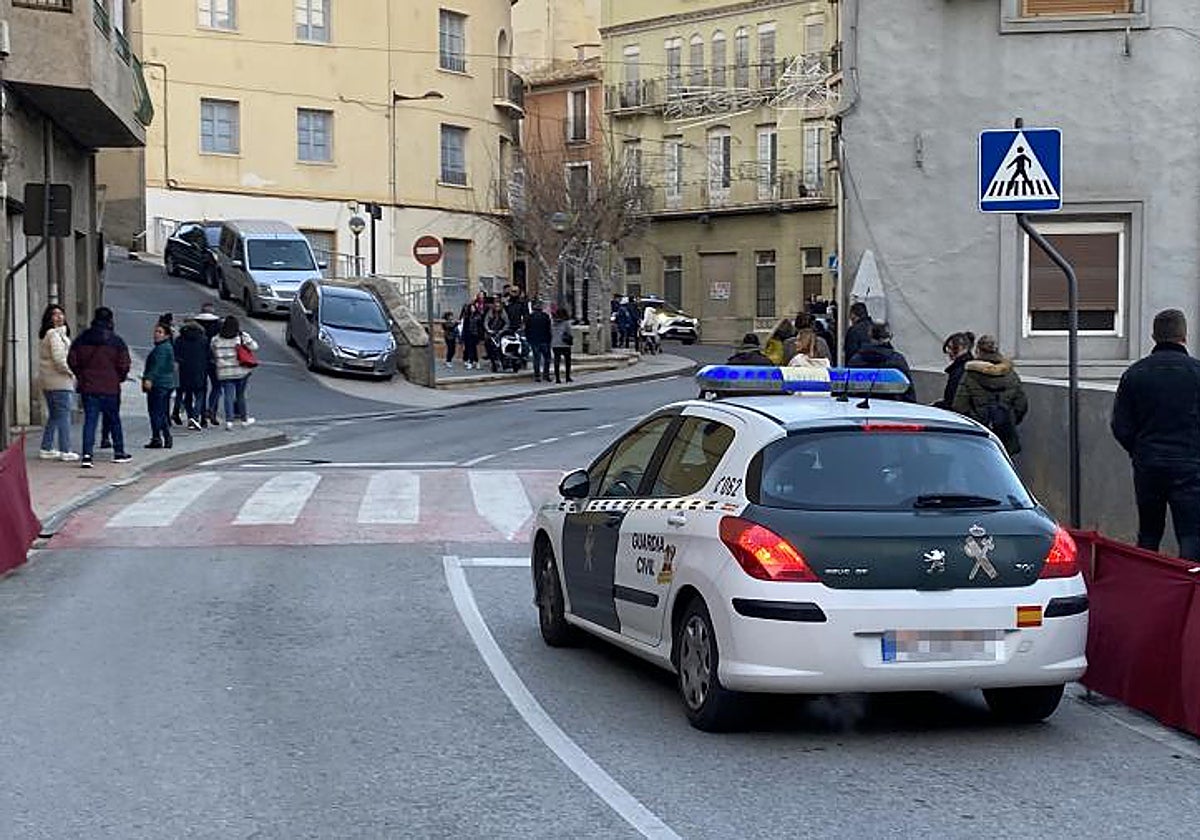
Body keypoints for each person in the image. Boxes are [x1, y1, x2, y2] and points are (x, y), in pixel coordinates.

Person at [1111, 309, 1200, 560]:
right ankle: (1189, 583)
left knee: (1149, 533)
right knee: (1191, 535)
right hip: (1190, 466)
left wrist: (1140, 450)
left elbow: (1120, 425)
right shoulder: (1196, 373)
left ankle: (1145, 580)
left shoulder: (1135, 374)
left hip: (1149, 464)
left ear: (1154, 336)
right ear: (1184, 336)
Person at [68, 306, 132, 468]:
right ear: (110, 320)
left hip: (89, 386)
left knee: (90, 421)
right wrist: (118, 378)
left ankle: (87, 455)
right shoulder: (116, 341)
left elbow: (72, 360)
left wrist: (81, 375)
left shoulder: (82, 338)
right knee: (114, 420)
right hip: (110, 387)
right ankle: (119, 452)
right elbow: (124, 364)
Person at [952, 335, 1028, 453]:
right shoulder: (1010, 374)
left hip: (978, 432)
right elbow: (1021, 405)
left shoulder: (970, 375)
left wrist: (975, 420)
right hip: (1005, 430)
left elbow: (959, 405)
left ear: (978, 350)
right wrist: (1009, 419)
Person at [36, 304, 78, 461]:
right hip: (60, 381)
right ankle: (65, 449)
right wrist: (71, 371)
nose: (59, 317)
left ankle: (46, 447)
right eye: (55, 314)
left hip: (50, 381)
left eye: (61, 313)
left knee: (54, 416)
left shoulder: (54, 334)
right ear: (49, 318)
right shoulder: (54, 334)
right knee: (64, 416)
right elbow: (59, 359)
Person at [847, 322, 917, 402]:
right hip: (892, 406)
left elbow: (848, 388)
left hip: (860, 405)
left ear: (869, 336)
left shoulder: (856, 360)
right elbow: (908, 392)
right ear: (887, 338)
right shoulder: (897, 360)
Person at [211, 315, 259, 430]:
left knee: (228, 396)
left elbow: (213, 351)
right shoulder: (241, 337)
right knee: (240, 395)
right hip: (241, 371)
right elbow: (254, 347)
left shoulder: (216, 339)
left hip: (224, 371)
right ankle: (244, 420)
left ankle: (229, 421)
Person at [142, 322, 178, 449]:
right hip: (165, 383)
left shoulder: (162, 349)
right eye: (156, 331)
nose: (156, 334)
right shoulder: (166, 347)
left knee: (156, 412)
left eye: (160, 332)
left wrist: (149, 378)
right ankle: (161, 437)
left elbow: (157, 365)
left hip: (159, 384)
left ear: (166, 335)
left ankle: (160, 437)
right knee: (160, 411)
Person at [174, 318, 211, 430]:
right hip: (200, 370)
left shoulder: (179, 339)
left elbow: (175, 355)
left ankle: (190, 416)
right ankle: (195, 416)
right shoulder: (204, 340)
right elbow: (208, 355)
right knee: (200, 395)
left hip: (184, 371)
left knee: (187, 396)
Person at [195, 303, 223, 426]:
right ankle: (212, 410)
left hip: (200, 360)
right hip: (214, 359)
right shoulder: (218, 325)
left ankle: (201, 416)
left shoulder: (195, 324)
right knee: (217, 386)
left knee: (202, 388)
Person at [935, 331, 975, 410]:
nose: (948, 351)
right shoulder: (965, 366)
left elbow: (952, 399)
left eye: (951, 347)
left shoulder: (960, 370)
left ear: (963, 348)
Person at [525, 299, 553, 383]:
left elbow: (527, 329)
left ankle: (537, 375)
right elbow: (548, 328)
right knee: (547, 358)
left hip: (534, 340)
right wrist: (549, 339)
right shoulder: (545, 316)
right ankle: (546, 375)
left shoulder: (530, 317)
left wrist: (528, 338)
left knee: (536, 358)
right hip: (544, 339)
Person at [483, 298, 510, 373]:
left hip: (500, 331)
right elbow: (486, 322)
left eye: (498, 306)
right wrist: (488, 330)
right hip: (491, 332)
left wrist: (502, 330)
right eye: (496, 306)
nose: (497, 307)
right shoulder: (490, 312)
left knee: (501, 347)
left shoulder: (503, 313)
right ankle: (493, 362)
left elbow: (507, 322)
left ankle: (503, 362)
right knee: (489, 346)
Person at [458, 297, 483, 370]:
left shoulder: (478, 316)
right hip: (468, 334)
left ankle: (474, 362)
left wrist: (480, 335)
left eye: (473, 307)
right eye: (471, 308)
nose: (472, 309)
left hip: (475, 334)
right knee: (470, 348)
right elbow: (464, 327)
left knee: (473, 348)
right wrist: (463, 336)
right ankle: (472, 362)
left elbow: (480, 327)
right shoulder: (467, 317)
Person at [551, 306, 574, 383]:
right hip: (565, 344)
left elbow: (551, 332)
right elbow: (569, 332)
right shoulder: (566, 323)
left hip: (555, 344)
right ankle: (567, 377)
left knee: (557, 361)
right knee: (567, 361)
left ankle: (557, 378)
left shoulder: (553, 323)